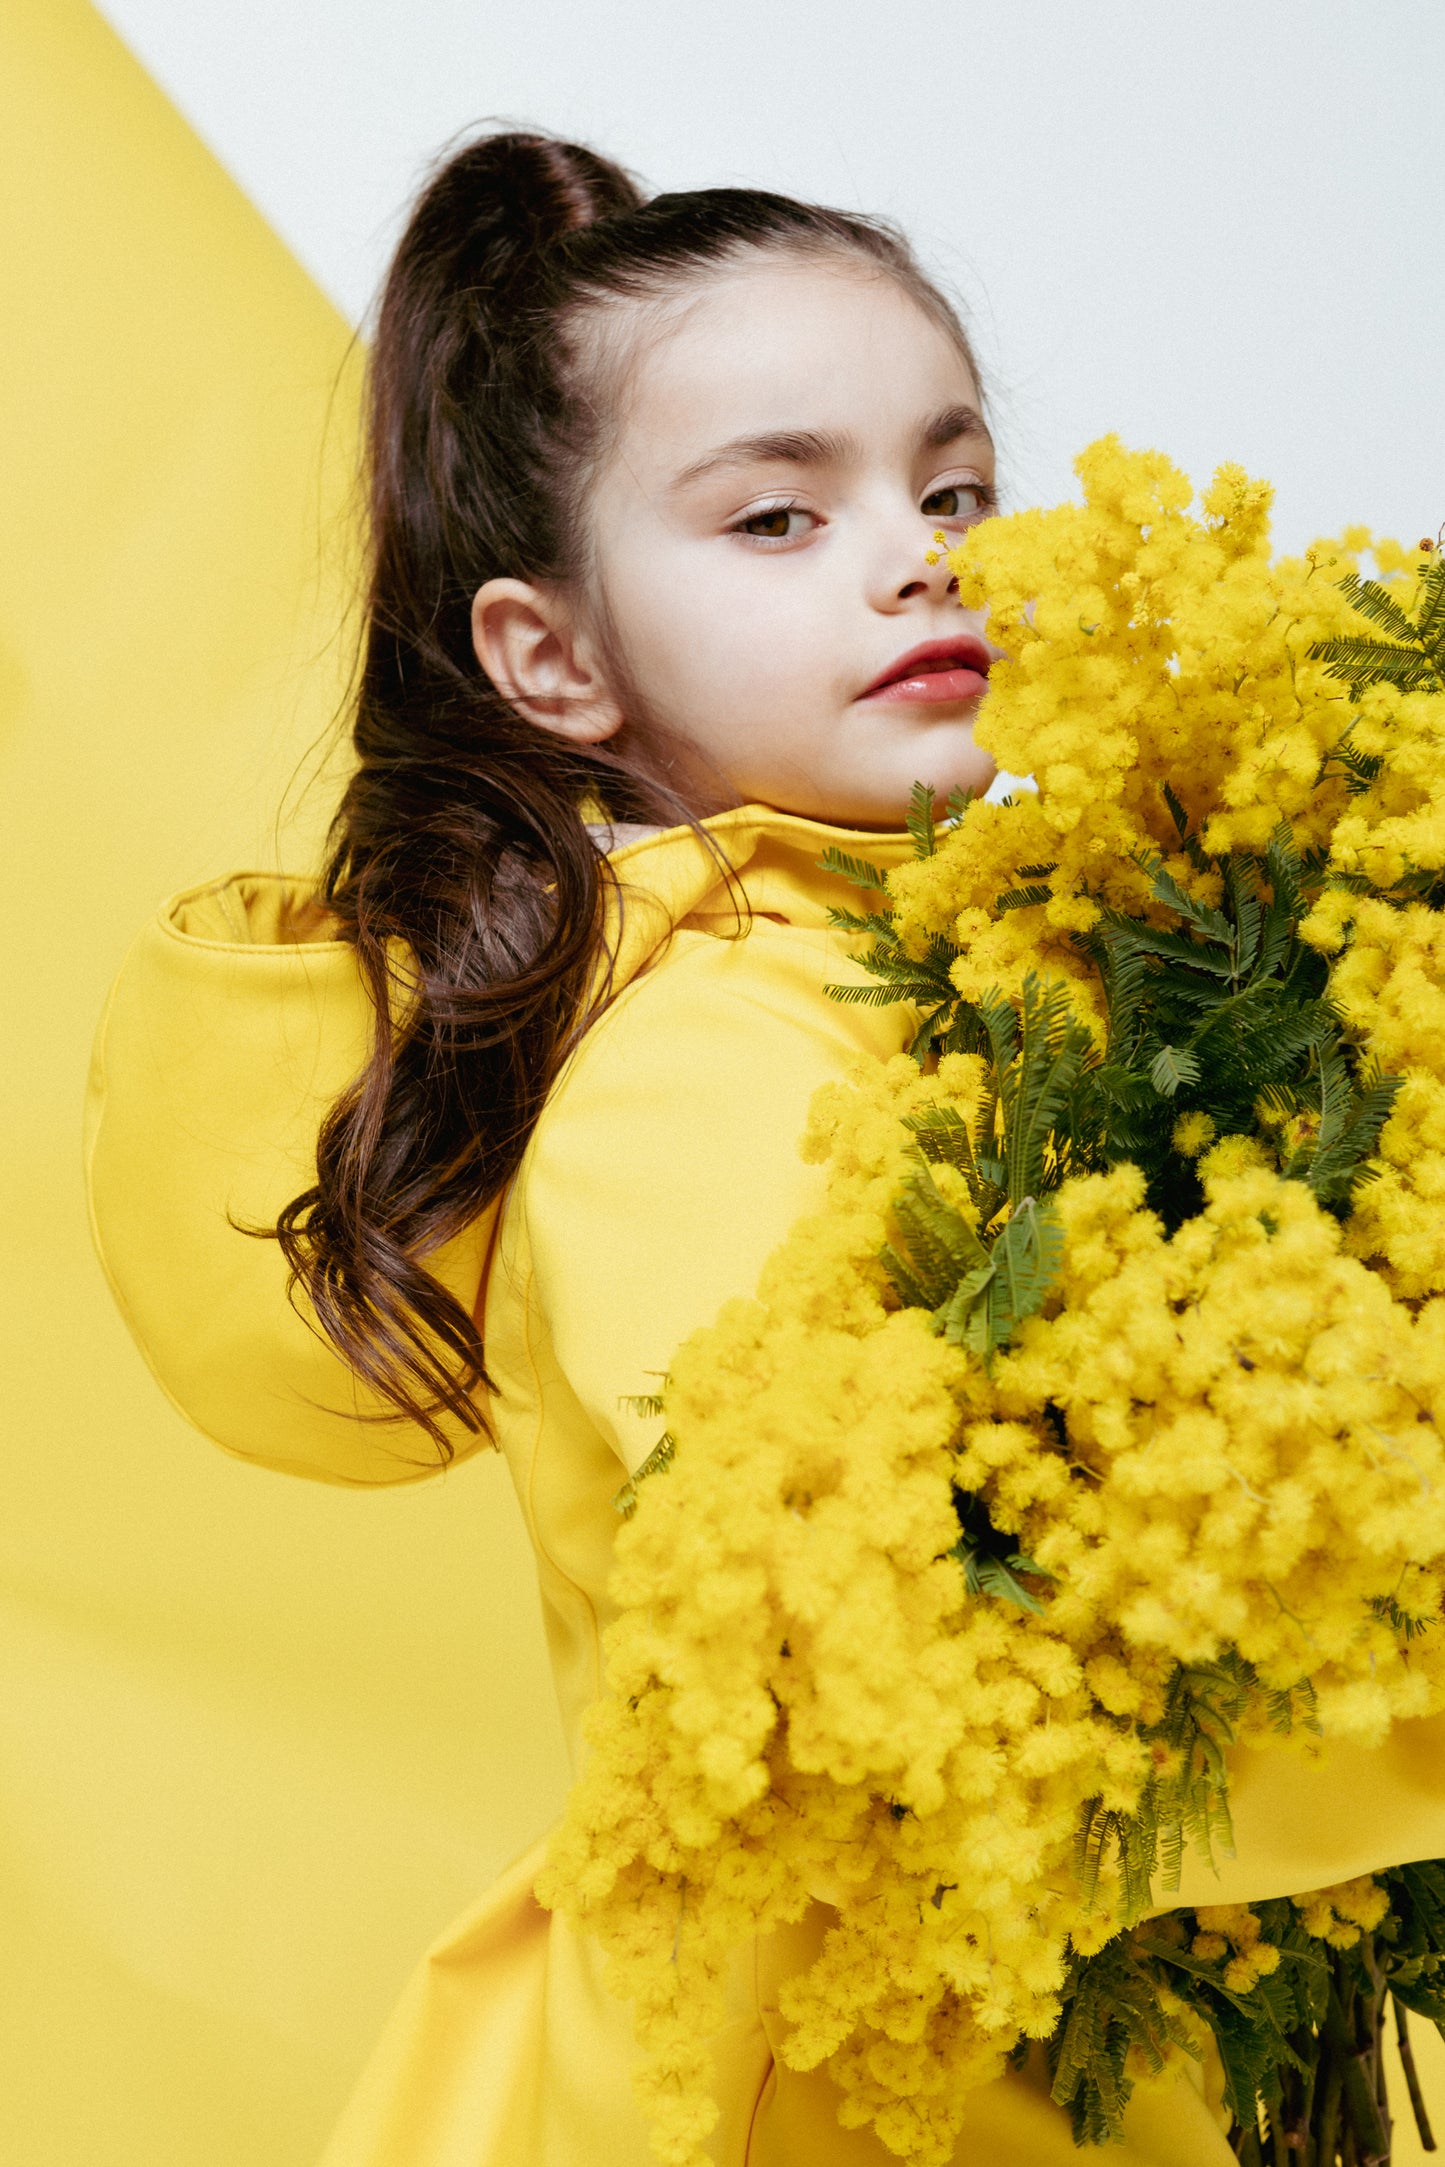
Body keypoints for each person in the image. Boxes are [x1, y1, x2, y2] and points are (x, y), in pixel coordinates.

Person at [85, 130, 1445, 2167]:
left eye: (952, 486)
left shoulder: (1027, 981)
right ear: (553, 659)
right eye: (779, 515)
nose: (918, 556)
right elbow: (889, 1694)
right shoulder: (702, 1070)